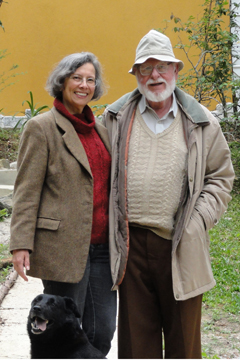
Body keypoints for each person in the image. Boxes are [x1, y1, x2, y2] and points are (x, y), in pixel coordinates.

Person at [102, 30, 235, 359]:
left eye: (162, 66)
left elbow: (220, 177)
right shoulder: (115, 119)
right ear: (136, 75)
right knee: (136, 345)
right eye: (145, 69)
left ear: (176, 71)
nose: (155, 75)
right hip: (130, 247)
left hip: (181, 245)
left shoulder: (202, 123)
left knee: (183, 344)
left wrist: (197, 222)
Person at [10, 52, 116, 356]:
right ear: (63, 81)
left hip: (101, 250)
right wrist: (21, 244)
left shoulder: (101, 130)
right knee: (59, 330)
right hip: (63, 247)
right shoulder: (41, 128)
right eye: (76, 78)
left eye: (90, 80)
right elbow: (26, 191)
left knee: (103, 329)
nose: (84, 85)